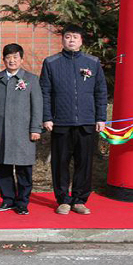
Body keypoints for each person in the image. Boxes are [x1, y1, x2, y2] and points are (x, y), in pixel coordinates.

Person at [40, 24, 107, 215]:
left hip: (86, 122)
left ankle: (79, 199)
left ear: (81, 41)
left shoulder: (92, 62)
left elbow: (100, 92)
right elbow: (45, 92)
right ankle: (63, 200)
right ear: (62, 39)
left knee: (84, 163)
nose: (71, 40)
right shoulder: (51, 62)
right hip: (60, 122)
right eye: (68, 37)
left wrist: (100, 117)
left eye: (75, 37)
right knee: (60, 163)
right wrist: (47, 117)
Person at [0, 43, 42, 215]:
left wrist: (36, 128)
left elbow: (37, 106)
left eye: (15, 57)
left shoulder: (31, 79)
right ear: (3, 60)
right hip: (1, 131)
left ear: (21, 59)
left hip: (23, 132)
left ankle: (22, 202)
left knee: (24, 169)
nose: (12, 60)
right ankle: (8, 200)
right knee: (3, 169)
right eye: (8, 57)